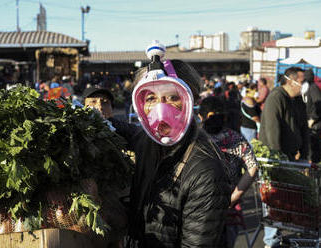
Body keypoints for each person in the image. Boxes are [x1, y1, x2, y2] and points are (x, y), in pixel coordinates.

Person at [109, 41, 231, 248]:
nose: (160, 110)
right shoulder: (146, 144)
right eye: (150, 98)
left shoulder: (205, 172)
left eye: (173, 98)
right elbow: (128, 130)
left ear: (190, 101)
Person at [198, 96, 258, 248]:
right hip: (228, 208)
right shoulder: (235, 138)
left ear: (201, 116)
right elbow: (253, 167)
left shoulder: (194, 139)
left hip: (198, 207)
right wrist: (234, 197)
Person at [259, 67, 309, 248]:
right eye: (302, 81)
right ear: (291, 81)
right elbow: (273, 132)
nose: (304, 85)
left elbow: (304, 127)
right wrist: (277, 160)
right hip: (275, 159)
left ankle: (285, 232)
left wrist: (304, 155)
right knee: (274, 198)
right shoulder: (276, 98)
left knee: (287, 199)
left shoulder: (297, 101)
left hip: (291, 157)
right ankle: (271, 241)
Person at [304, 69, 321, 163]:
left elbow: (318, 105)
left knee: (314, 149)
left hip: (315, 123)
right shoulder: (308, 87)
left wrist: (313, 119)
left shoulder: (313, 88)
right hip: (311, 121)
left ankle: (314, 169)